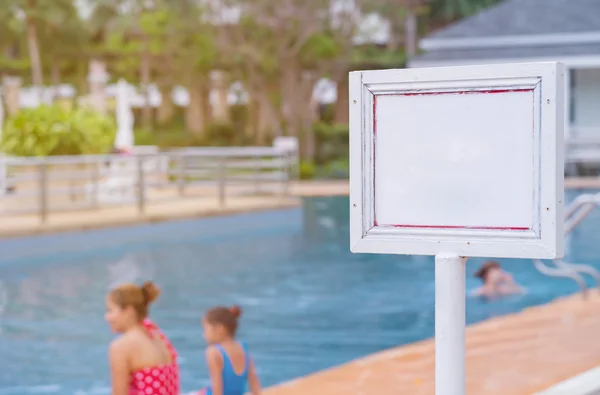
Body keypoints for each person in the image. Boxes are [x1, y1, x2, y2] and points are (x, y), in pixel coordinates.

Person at [105, 281, 180, 395]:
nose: (107, 317)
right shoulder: (157, 334)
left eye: (110, 310)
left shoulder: (122, 346)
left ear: (129, 311)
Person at [198, 306, 261, 395]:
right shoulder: (243, 348)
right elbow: (254, 383)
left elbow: (217, 389)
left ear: (219, 329)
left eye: (206, 330)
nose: (204, 335)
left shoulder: (214, 352)